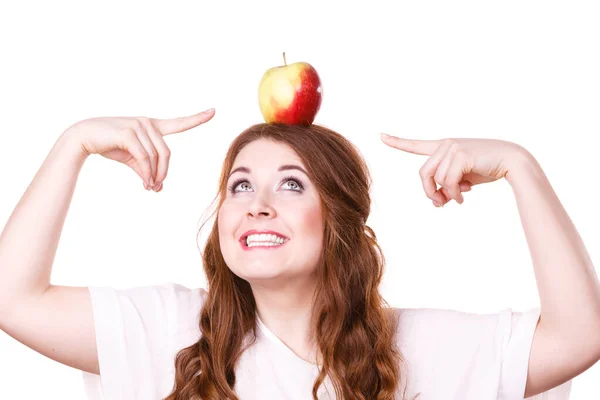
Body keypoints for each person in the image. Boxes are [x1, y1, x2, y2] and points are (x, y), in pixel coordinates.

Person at [0, 108, 593, 400]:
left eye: (291, 183)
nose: (257, 204)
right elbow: (13, 299)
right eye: (239, 185)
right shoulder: (166, 330)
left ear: (338, 218)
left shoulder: (415, 349)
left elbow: (579, 338)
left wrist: (522, 168)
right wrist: (71, 144)